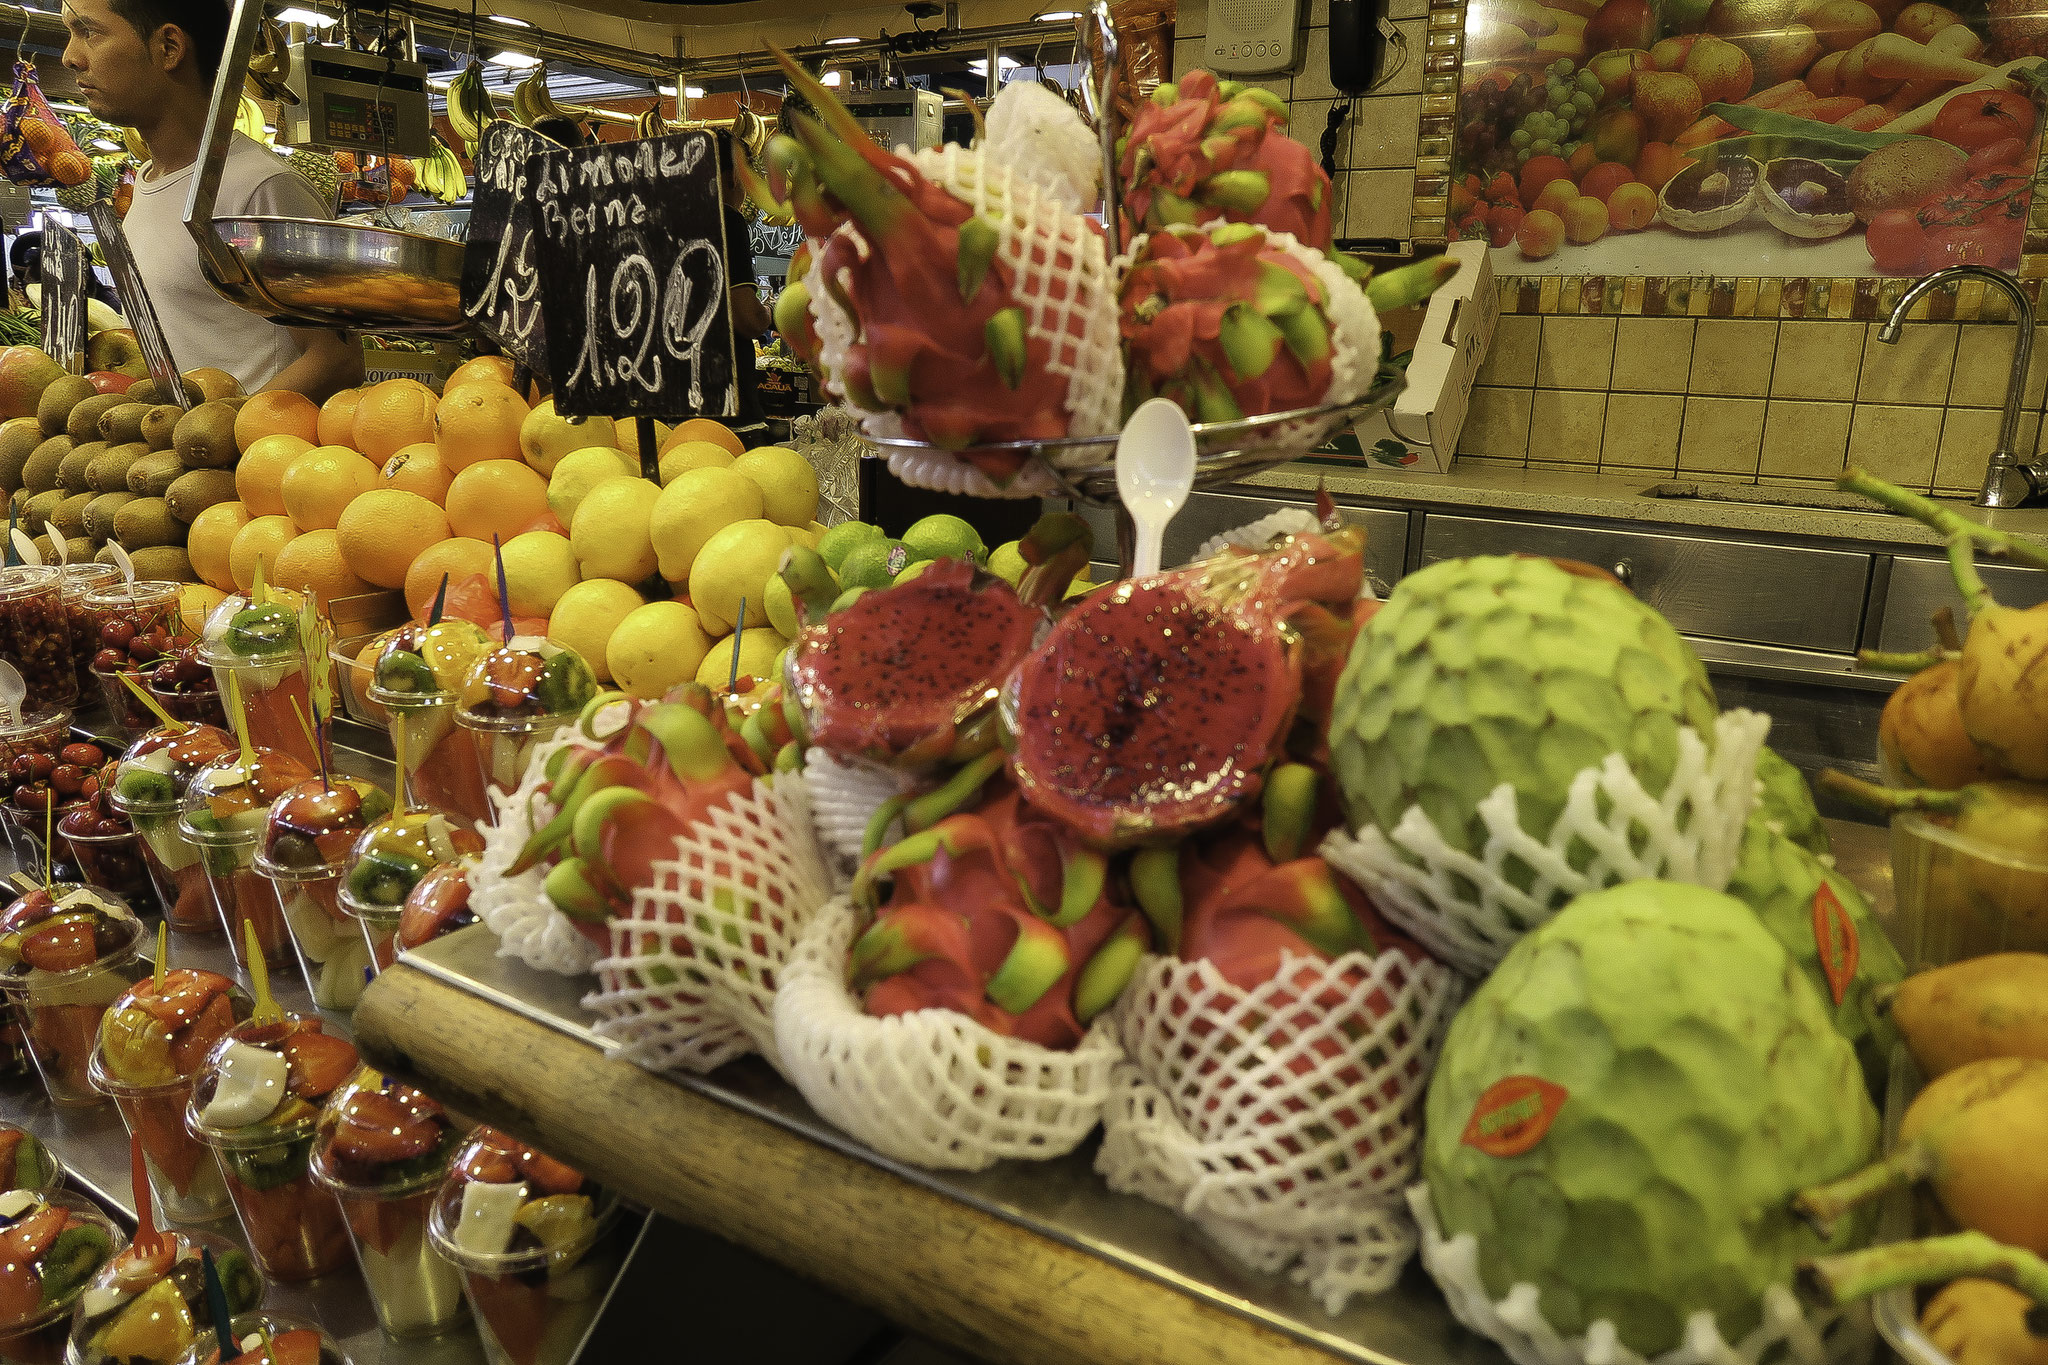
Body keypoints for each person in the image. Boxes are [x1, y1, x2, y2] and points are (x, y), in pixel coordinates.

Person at [60, 0, 363, 398]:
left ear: (169, 47)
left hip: (253, 452)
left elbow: (336, 360)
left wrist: (226, 433)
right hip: (176, 451)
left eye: (89, 32)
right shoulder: (147, 184)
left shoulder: (262, 186)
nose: (69, 57)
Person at [715, 130, 771, 449]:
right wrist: (767, 314)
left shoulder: (663, 222)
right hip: (729, 408)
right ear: (734, 179)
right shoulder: (726, 220)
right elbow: (747, 319)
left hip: (675, 410)